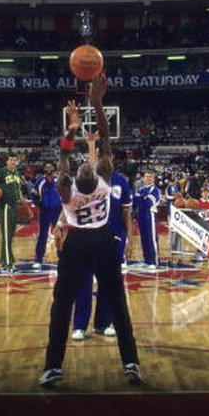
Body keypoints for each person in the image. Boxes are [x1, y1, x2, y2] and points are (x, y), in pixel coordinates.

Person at [39, 76, 141, 388]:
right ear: (94, 174)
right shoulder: (106, 180)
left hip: (79, 242)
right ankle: (131, 362)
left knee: (61, 305)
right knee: (117, 302)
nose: (87, 163)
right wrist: (97, 103)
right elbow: (107, 139)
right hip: (102, 239)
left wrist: (71, 128)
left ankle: (53, 366)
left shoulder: (66, 188)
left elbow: (64, 155)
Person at [71, 132, 132, 340]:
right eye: (98, 157)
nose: (102, 160)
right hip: (88, 237)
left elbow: (127, 212)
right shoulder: (91, 179)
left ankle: (103, 323)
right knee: (84, 282)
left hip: (112, 238)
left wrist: (130, 239)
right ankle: (79, 325)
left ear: (112, 160)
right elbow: (91, 164)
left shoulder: (122, 182)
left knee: (108, 282)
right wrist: (91, 143)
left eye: (106, 156)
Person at [31, 161, 63, 270]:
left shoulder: (59, 181)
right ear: (44, 169)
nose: (49, 169)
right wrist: (40, 205)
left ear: (54, 169)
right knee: (42, 236)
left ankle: (62, 258)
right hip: (44, 213)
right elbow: (33, 195)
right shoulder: (40, 181)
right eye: (46, 167)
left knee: (60, 236)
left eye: (51, 167)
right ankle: (38, 259)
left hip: (57, 212)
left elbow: (65, 194)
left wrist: (62, 207)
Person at [134, 171, 160, 269]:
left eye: (150, 177)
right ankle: (147, 260)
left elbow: (148, 202)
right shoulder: (141, 189)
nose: (147, 179)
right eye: (146, 177)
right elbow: (135, 201)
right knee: (143, 238)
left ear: (153, 179)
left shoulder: (155, 190)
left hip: (150, 214)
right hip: (141, 214)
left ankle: (154, 261)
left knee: (151, 238)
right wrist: (142, 197)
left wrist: (141, 198)